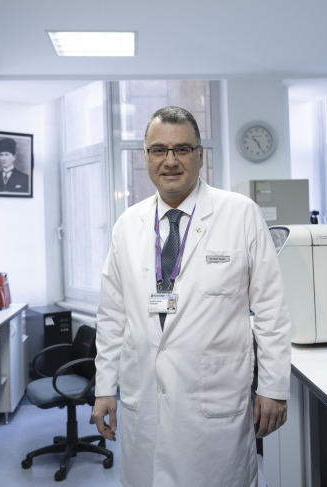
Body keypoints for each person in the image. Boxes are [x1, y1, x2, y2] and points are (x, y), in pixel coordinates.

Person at [92, 106, 292, 487]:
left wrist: (273, 387)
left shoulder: (240, 214)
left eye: (182, 149)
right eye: (158, 150)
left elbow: (271, 308)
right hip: (143, 399)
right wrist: (104, 388)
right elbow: (112, 314)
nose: (170, 161)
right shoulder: (127, 225)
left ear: (200, 155)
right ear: (146, 156)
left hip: (213, 405)